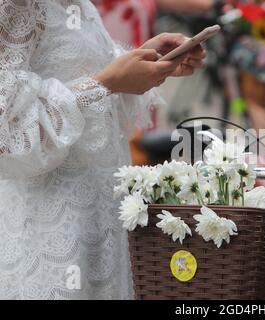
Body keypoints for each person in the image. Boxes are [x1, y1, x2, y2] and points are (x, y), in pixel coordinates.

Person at [0, 0, 205, 299]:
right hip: (47, 221)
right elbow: (7, 131)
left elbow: (78, 73)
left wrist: (147, 60)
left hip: (101, 211)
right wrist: (105, 84)